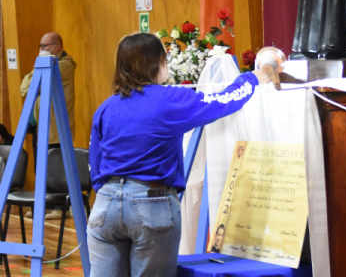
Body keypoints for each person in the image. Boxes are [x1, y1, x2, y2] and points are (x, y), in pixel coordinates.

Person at [87, 33, 258, 276]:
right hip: (151, 202)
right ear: (157, 62)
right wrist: (253, 78)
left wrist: (114, 194)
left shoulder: (106, 107)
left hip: (105, 205)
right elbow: (224, 101)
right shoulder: (169, 99)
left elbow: (94, 163)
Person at [20, 32, 76, 149]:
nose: (40, 49)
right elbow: (24, 88)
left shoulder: (65, 66)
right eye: (40, 46)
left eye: (44, 46)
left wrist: (35, 80)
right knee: (38, 166)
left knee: (54, 166)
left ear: (56, 47)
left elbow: (35, 84)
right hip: (40, 126)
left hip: (55, 131)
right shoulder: (44, 65)